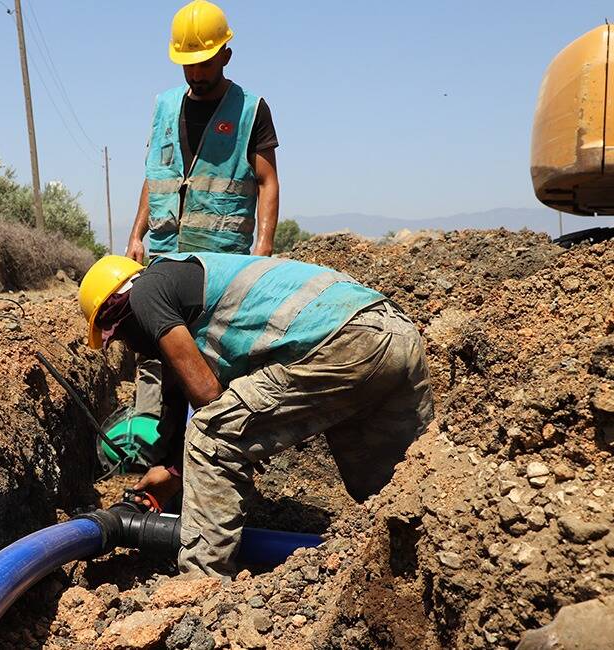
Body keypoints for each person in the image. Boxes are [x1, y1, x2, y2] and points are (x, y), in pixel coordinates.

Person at [78, 253, 434, 578]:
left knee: (209, 434)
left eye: (121, 336)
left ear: (118, 311)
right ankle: (415, 566)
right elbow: (176, 393)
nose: (129, 345)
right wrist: (172, 472)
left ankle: (199, 581)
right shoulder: (185, 282)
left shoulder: (146, 293)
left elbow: (205, 395)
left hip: (342, 343)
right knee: (393, 488)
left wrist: (233, 445)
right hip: (394, 333)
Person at [126, 0, 281, 473]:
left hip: (220, 266)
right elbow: (156, 176)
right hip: (165, 257)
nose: (196, 74)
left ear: (226, 56)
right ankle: (161, 466)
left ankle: (217, 470)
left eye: (205, 64)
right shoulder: (165, 106)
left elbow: (267, 182)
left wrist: (264, 250)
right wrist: (136, 234)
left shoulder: (251, 109)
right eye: (189, 65)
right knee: (162, 366)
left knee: (215, 369)